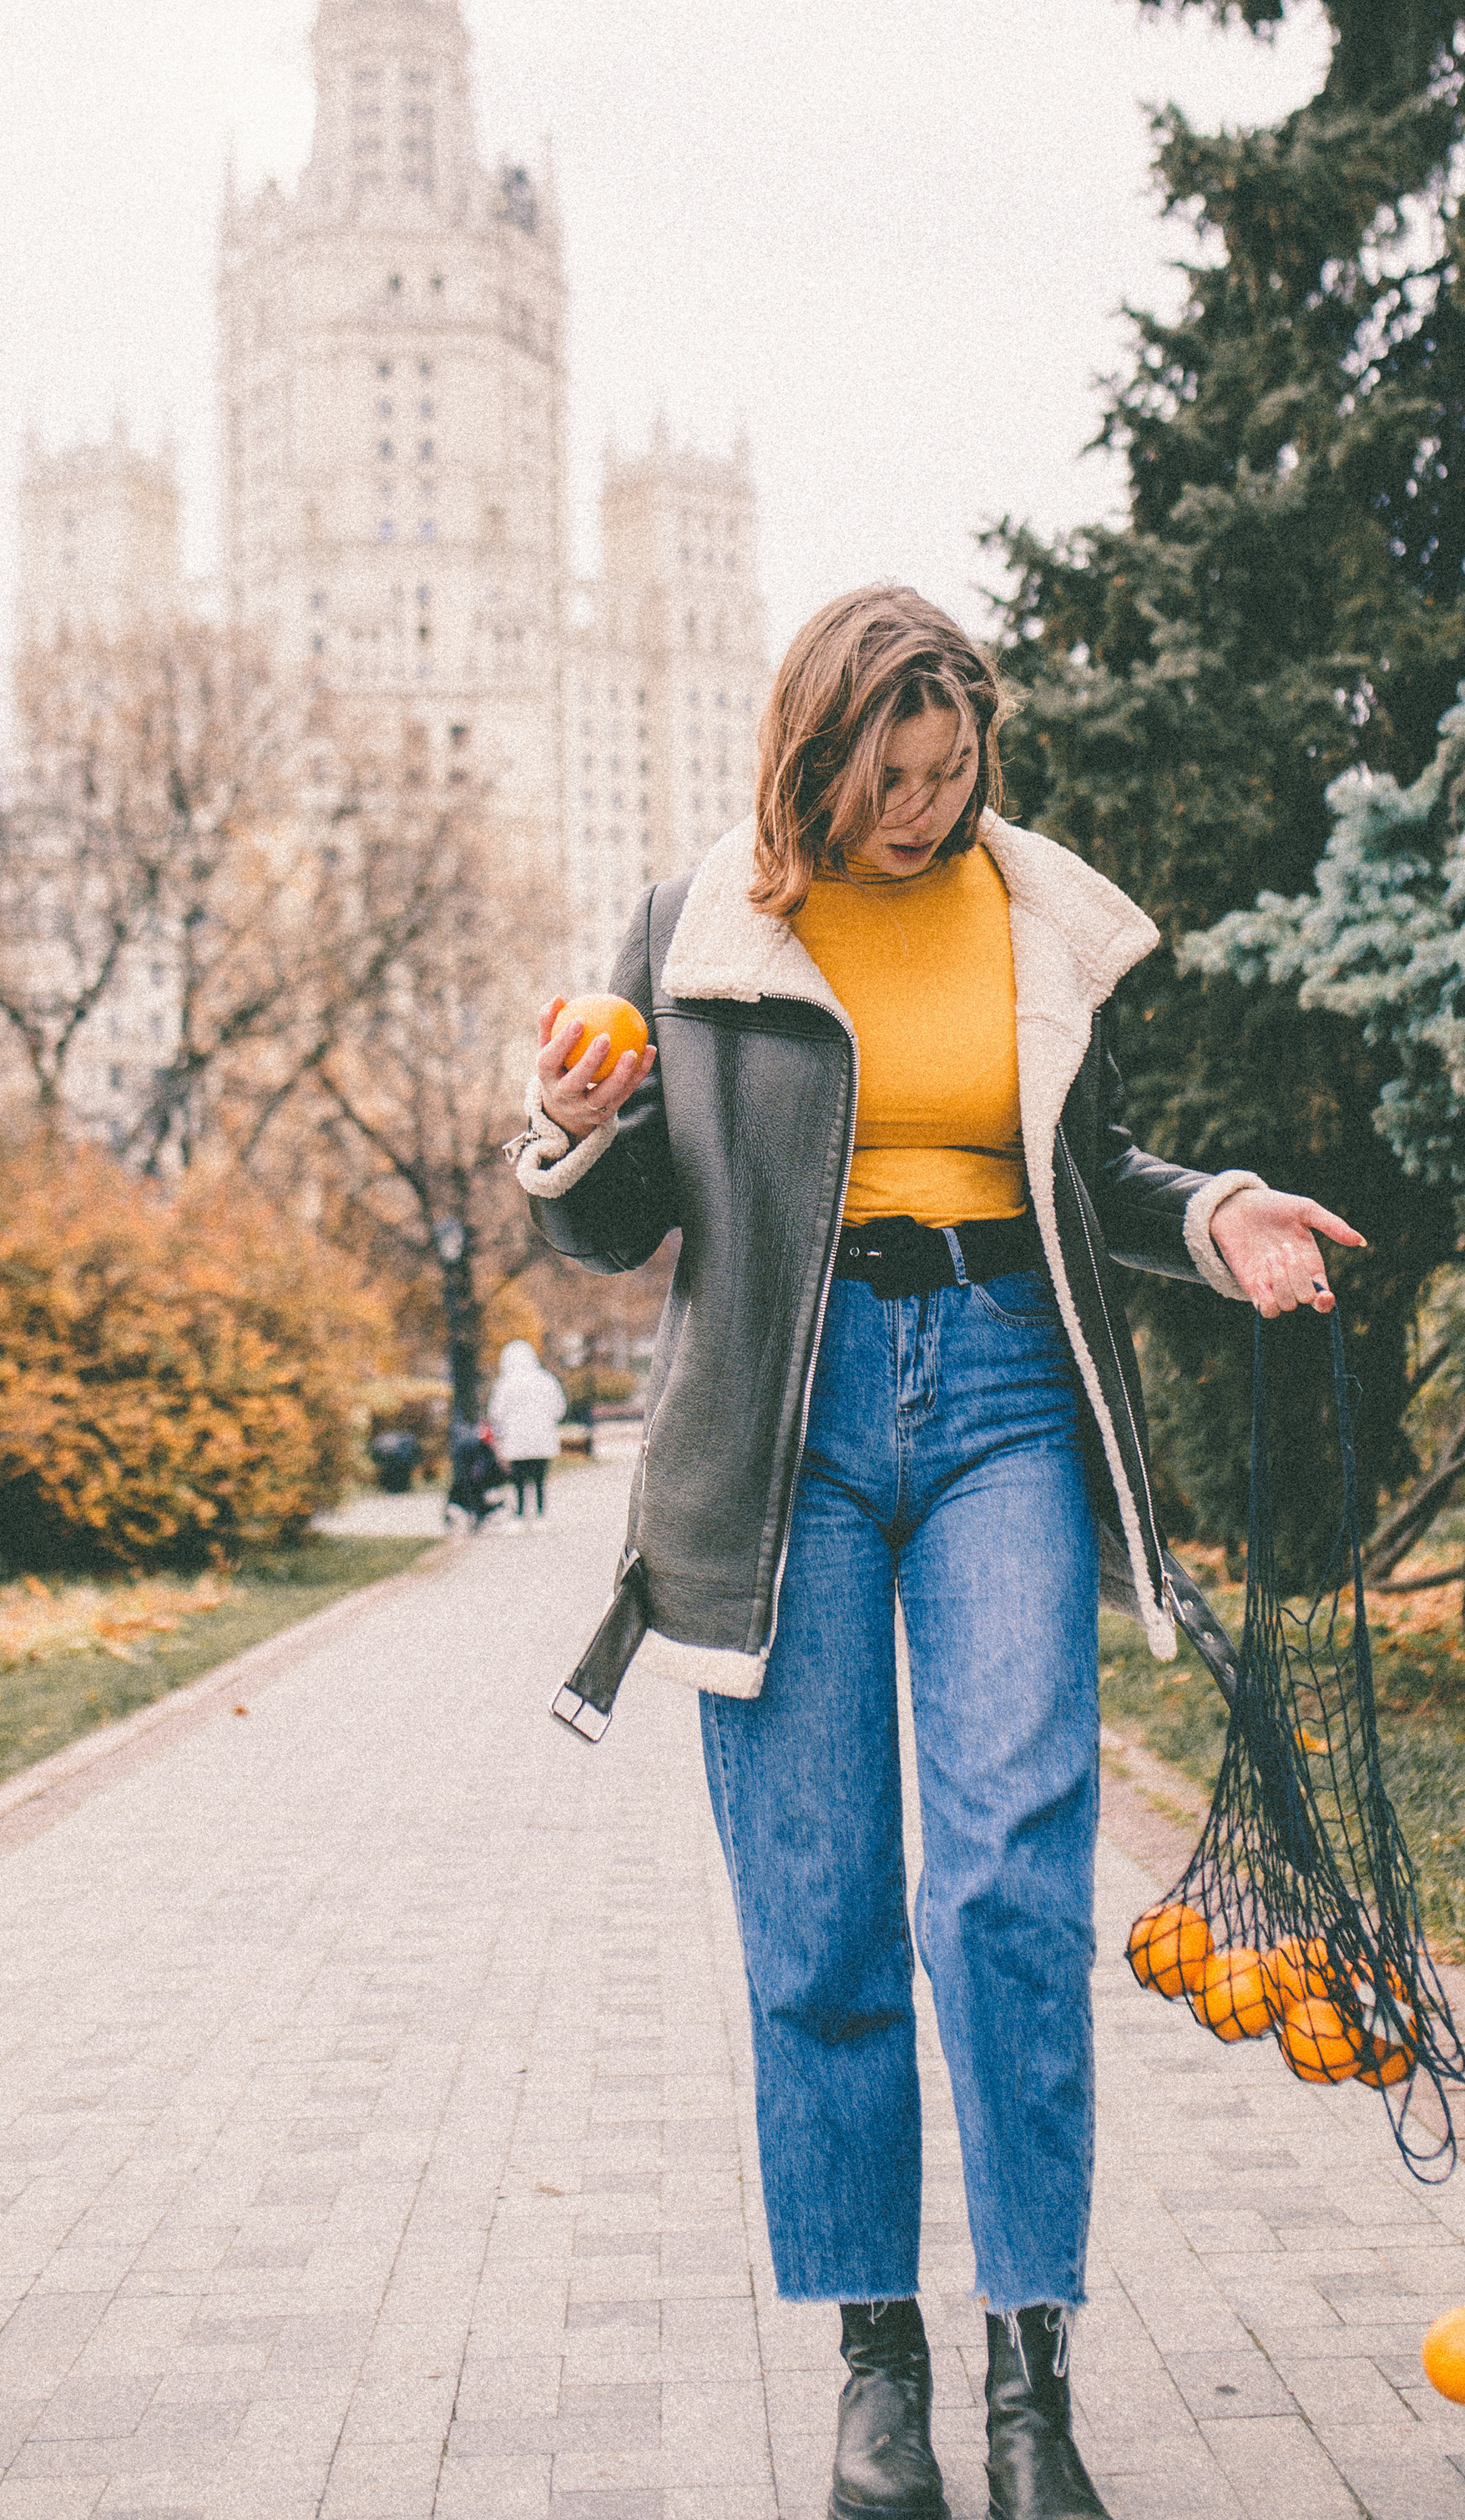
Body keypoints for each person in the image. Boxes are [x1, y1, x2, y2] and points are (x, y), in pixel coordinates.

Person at [511, 588, 1361, 2520]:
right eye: (884, 776)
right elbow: (616, 1216)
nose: (920, 805)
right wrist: (568, 1124)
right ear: (809, 757)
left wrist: (1213, 1212)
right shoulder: (703, 920)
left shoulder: (1025, 909)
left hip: (996, 1393)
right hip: (782, 1436)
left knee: (1001, 1884)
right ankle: (872, 2370)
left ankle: (1025, 2378)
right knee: (814, 1919)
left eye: (949, 764)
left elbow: (1092, 1174)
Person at [487, 1338, 565, 1521]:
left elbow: (495, 1413)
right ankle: (540, 1513)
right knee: (539, 1478)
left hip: (516, 1439)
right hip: (542, 1438)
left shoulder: (505, 1383)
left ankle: (522, 1513)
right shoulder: (546, 1380)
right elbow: (559, 1408)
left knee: (519, 1479)